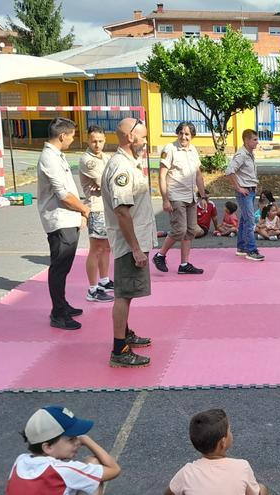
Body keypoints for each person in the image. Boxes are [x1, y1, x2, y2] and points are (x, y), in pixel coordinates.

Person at [101, 117, 154, 367]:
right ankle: (119, 348)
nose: (145, 141)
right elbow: (122, 211)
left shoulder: (129, 163)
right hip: (128, 244)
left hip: (134, 240)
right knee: (123, 294)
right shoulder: (121, 168)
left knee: (129, 293)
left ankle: (126, 333)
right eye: (143, 137)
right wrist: (135, 249)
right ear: (130, 138)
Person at [37, 117, 90, 330]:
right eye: (71, 136)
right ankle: (58, 313)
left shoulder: (57, 155)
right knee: (59, 267)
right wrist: (84, 209)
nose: (72, 139)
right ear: (62, 135)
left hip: (69, 218)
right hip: (59, 220)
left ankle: (62, 305)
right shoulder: (49, 158)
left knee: (64, 267)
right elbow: (63, 195)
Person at [7, 406, 121, 495]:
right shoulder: (62, 470)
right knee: (93, 462)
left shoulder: (19, 461)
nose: (77, 441)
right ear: (47, 447)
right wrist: (86, 440)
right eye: (71, 439)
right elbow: (114, 469)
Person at [165, 409, 268, 495]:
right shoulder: (242, 467)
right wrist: (262, 489)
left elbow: (168, 493)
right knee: (261, 488)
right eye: (229, 431)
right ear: (223, 442)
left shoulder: (186, 473)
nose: (231, 433)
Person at [153, 122, 207, 276]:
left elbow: (198, 175)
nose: (184, 137)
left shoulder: (193, 150)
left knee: (190, 231)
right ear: (177, 134)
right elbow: (162, 175)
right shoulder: (170, 149)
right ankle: (160, 255)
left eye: (187, 134)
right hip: (176, 195)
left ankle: (184, 264)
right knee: (179, 230)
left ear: (192, 136)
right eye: (181, 133)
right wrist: (165, 199)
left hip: (190, 196)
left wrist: (203, 196)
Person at [78, 125, 114, 303]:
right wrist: (105, 184)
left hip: (107, 206)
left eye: (100, 141)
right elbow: (105, 182)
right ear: (88, 140)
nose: (97, 144)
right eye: (93, 141)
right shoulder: (87, 160)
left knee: (107, 247)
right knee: (96, 249)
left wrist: (107, 184)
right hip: (96, 207)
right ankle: (92, 289)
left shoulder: (106, 157)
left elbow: (111, 180)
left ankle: (104, 281)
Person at [226, 130, 264, 261]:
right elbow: (229, 171)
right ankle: (251, 250)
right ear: (246, 140)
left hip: (250, 190)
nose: (257, 142)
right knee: (250, 220)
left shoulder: (249, 154)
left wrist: (254, 186)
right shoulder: (242, 155)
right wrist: (238, 188)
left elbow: (248, 174)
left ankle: (242, 247)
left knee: (244, 219)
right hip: (245, 192)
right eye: (254, 139)